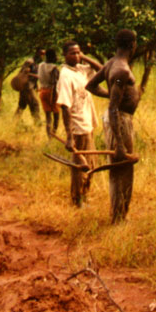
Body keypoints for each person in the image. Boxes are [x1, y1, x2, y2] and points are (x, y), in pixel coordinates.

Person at [87, 29, 141, 223]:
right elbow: (113, 107)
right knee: (122, 170)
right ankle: (119, 217)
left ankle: (118, 215)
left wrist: (111, 94)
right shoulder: (121, 71)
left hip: (118, 119)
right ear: (132, 45)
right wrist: (119, 143)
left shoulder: (111, 63)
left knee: (118, 169)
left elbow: (91, 85)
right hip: (120, 120)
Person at [55, 40, 102, 207]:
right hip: (78, 126)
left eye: (78, 52)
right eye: (72, 53)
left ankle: (84, 196)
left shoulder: (80, 70)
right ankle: (77, 200)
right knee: (80, 166)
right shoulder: (65, 76)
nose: (76, 56)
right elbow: (65, 107)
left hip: (88, 122)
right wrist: (69, 136)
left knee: (91, 164)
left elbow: (101, 70)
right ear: (64, 55)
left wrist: (85, 57)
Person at [37, 49, 60, 136]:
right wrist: (54, 97)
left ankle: (49, 136)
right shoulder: (54, 68)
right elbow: (55, 82)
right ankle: (54, 133)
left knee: (48, 116)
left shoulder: (40, 65)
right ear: (53, 57)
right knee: (56, 115)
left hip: (42, 91)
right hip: (52, 92)